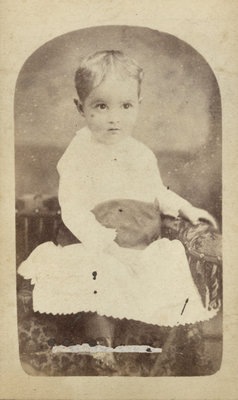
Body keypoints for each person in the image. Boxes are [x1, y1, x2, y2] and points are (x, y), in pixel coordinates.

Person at [18, 50, 218, 360]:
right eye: (101, 106)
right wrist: (103, 243)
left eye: (126, 106)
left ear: (139, 105)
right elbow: (72, 208)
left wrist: (184, 208)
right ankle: (101, 346)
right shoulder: (78, 153)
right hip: (94, 239)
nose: (115, 117)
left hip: (138, 241)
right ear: (80, 108)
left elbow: (156, 191)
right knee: (96, 272)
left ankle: (155, 344)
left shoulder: (140, 153)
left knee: (164, 264)